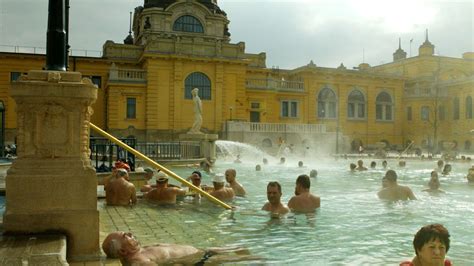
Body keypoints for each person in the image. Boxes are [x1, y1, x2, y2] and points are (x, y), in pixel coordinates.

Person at [102, 231, 254, 265]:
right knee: (242, 258)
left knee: (241, 247)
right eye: (125, 236)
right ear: (123, 251)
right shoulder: (139, 262)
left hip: (199, 252)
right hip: (197, 262)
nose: (130, 233)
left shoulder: (139, 251)